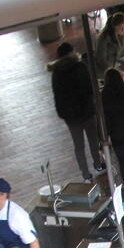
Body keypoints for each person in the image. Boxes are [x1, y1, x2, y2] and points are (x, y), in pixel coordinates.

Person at [48, 41, 102, 182]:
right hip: (87, 112)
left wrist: (63, 113)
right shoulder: (80, 67)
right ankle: (98, 164)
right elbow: (89, 88)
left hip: (71, 117)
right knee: (93, 140)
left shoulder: (56, 73)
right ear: (71, 52)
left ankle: (85, 175)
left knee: (78, 146)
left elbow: (57, 95)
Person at [95, 11, 124, 77]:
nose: (123, 30)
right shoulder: (103, 38)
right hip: (105, 72)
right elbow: (101, 59)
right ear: (114, 26)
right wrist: (115, 71)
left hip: (117, 69)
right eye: (121, 28)